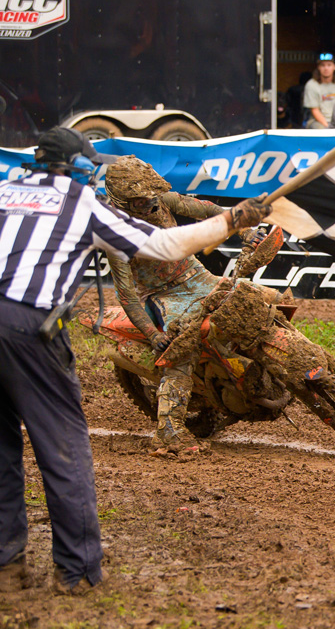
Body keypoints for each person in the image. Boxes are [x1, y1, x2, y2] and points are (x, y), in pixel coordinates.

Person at [0, 128, 270, 595]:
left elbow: (189, 212)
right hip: (31, 323)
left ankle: (6, 567)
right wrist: (234, 219)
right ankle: (78, 572)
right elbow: (162, 248)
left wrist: (230, 218)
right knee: (64, 447)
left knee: (2, 452)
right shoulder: (83, 203)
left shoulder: (5, 191)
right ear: (75, 167)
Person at [102, 156, 280, 457]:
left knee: (266, 299)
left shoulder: (165, 200)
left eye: (152, 197)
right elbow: (128, 296)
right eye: (141, 203)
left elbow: (209, 210)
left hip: (196, 276)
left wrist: (245, 229)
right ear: (123, 204)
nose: (151, 206)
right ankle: (169, 432)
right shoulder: (115, 234)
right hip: (160, 295)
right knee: (183, 345)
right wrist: (152, 333)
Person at [303, 52, 335, 129]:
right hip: (318, 121)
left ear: (334, 67)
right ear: (318, 68)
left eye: (329, 65)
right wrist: (328, 127)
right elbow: (315, 110)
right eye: (322, 65)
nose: (326, 68)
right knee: (320, 129)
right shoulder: (311, 85)